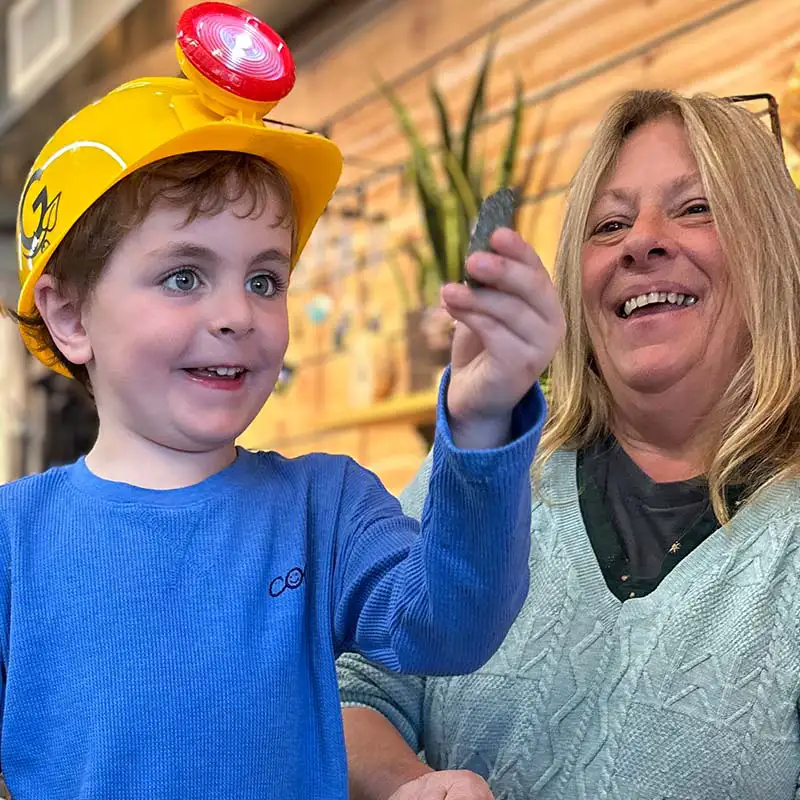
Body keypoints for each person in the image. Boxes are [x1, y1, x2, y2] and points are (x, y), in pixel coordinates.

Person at [0, 4, 567, 799]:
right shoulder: (14, 541)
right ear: (69, 316)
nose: (238, 312)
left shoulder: (325, 507)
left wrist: (478, 422)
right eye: (184, 276)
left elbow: (452, 626)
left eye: (264, 278)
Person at [337, 87, 800, 800]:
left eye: (695, 207)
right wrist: (405, 785)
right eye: (608, 223)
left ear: (773, 248)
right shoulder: (486, 479)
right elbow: (357, 688)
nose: (642, 240)